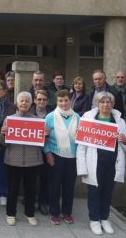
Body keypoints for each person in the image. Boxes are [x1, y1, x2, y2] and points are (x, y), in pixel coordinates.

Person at [77, 92, 126, 235]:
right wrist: (82, 167)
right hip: (94, 162)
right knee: (94, 192)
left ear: (112, 104)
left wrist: (125, 140)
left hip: (112, 163)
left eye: (108, 102)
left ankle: (104, 218)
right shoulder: (88, 119)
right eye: (102, 102)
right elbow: (81, 146)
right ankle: (94, 219)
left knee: (107, 192)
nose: (105, 105)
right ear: (97, 104)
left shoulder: (119, 121)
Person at [0, 91, 43, 226]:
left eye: (27, 101)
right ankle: (10, 213)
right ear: (17, 103)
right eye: (21, 101)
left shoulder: (38, 120)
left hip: (33, 161)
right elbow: (3, 142)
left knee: (31, 189)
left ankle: (29, 213)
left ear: (31, 103)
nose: (24, 103)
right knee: (13, 189)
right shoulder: (9, 119)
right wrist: (3, 134)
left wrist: (45, 135)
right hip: (14, 160)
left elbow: (43, 144)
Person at [44, 89, 80, 225]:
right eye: (60, 100)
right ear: (56, 101)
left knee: (69, 186)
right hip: (55, 155)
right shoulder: (50, 117)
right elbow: (44, 138)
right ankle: (54, 212)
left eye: (66, 100)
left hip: (72, 157)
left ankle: (67, 212)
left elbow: (81, 139)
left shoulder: (77, 117)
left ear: (70, 100)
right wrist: (47, 153)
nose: (63, 103)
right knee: (54, 185)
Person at [29, 89, 53, 215]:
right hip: (32, 151)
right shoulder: (28, 113)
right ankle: (31, 201)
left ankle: (43, 201)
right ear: (34, 100)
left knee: (45, 178)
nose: (41, 101)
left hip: (47, 151)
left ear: (48, 101)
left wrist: (50, 134)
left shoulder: (53, 114)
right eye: (39, 99)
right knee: (31, 177)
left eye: (44, 99)